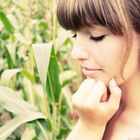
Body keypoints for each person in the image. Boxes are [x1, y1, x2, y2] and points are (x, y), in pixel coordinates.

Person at [57, 0, 140, 139]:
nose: (75, 54)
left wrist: (89, 129)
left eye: (96, 37)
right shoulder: (97, 108)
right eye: (75, 35)